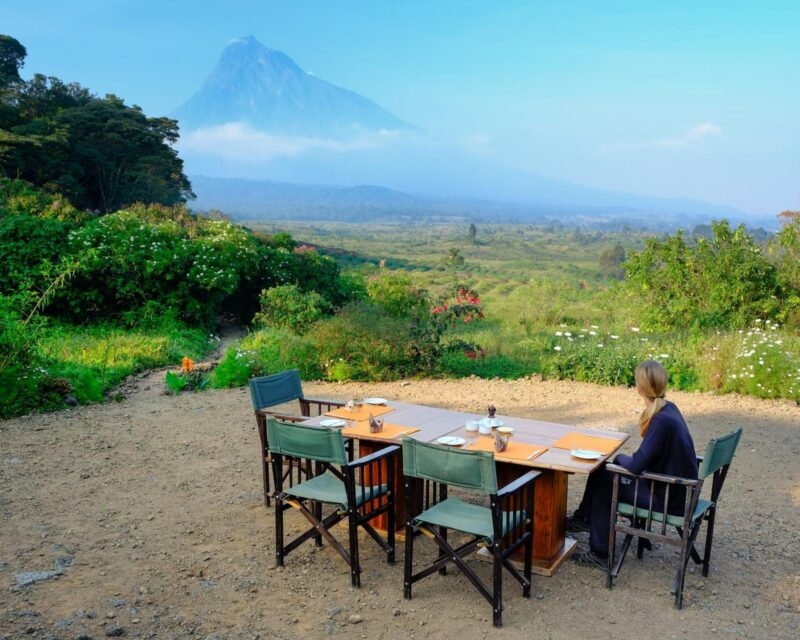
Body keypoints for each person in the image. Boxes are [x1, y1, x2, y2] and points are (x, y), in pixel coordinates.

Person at [570, 360, 698, 568]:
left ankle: (599, 553)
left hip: (666, 498)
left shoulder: (660, 421)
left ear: (640, 388)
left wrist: (619, 459)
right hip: (679, 491)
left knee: (604, 479)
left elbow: (637, 464)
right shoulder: (670, 409)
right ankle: (584, 519)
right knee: (602, 471)